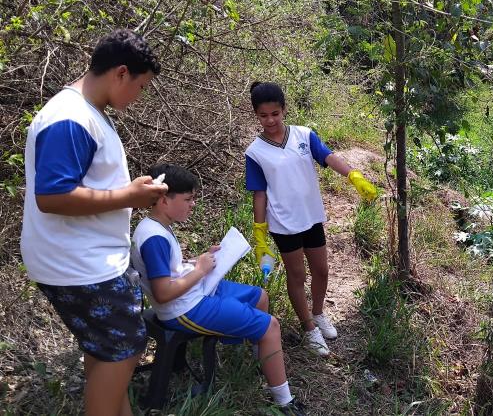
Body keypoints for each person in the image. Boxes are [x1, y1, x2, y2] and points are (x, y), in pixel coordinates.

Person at [20, 29, 167, 416]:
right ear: (121, 73)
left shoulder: (89, 111)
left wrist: (130, 191)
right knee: (127, 346)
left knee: (108, 349)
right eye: (140, 85)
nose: (139, 96)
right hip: (77, 265)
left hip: (83, 258)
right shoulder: (70, 118)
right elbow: (52, 197)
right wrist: (130, 196)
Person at [131, 163, 305, 415]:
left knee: (259, 297)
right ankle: (284, 402)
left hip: (194, 292)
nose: (193, 205)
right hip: (184, 309)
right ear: (163, 199)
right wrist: (201, 270)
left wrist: (197, 262)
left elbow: (168, 269)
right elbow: (162, 292)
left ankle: (262, 362)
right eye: (188, 199)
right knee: (271, 326)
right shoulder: (154, 238)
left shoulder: (158, 227)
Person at [245, 81, 377, 356]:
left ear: (284, 110)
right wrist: (260, 231)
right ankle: (309, 329)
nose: (270, 120)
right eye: (263, 115)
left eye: (275, 114)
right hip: (284, 222)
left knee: (322, 269)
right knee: (297, 275)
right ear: (256, 115)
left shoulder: (304, 136)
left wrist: (354, 176)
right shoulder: (255, 152)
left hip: (311, 216)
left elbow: (327, 156)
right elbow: (259, 194)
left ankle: (318, 313)